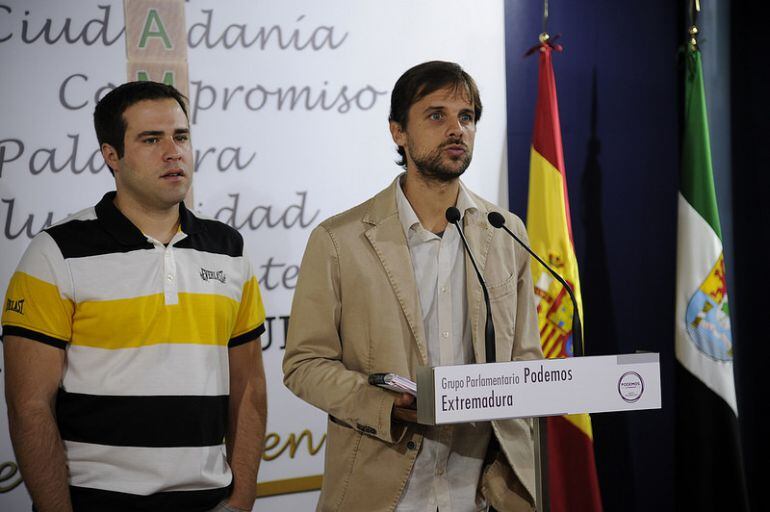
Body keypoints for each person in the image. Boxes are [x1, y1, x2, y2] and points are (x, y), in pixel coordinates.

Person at [283, 61, 543, 512]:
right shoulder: (338, 240)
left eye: (467, 117)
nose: (457, 129)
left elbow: (525, 357)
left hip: (487, 492)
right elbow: (304, 364)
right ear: (398, 132)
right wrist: (383, 406)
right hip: (383, 490)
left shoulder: (506, 232)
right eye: (436, 115)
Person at [2, 81, 267, 512]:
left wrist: (240, 500)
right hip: (95, 500)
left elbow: (250, 385)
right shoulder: (56, 252)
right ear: (112, 156)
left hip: (209, 499)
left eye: (181, 136)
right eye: (151, 139)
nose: (173, 151)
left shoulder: (229, 248)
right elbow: (28, 404)